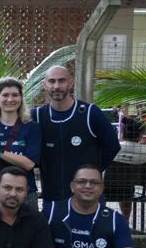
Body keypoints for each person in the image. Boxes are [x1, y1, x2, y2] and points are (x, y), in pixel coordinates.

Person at [33, 66, 120, 204]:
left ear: (71, 83)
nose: (56, 86)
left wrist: (92, 171)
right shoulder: (37, 116)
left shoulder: (90, 113)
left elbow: (113, 146)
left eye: (61, 81)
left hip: (87, 196)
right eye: (52, 81)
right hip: (52, 194)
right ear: (45, 85)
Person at [0, 76, 42, 209]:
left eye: (15, 95)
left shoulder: (31, 127)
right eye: (5, 95)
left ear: (21, 99)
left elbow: (28, 164)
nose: (10, 99)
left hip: (25, 194)